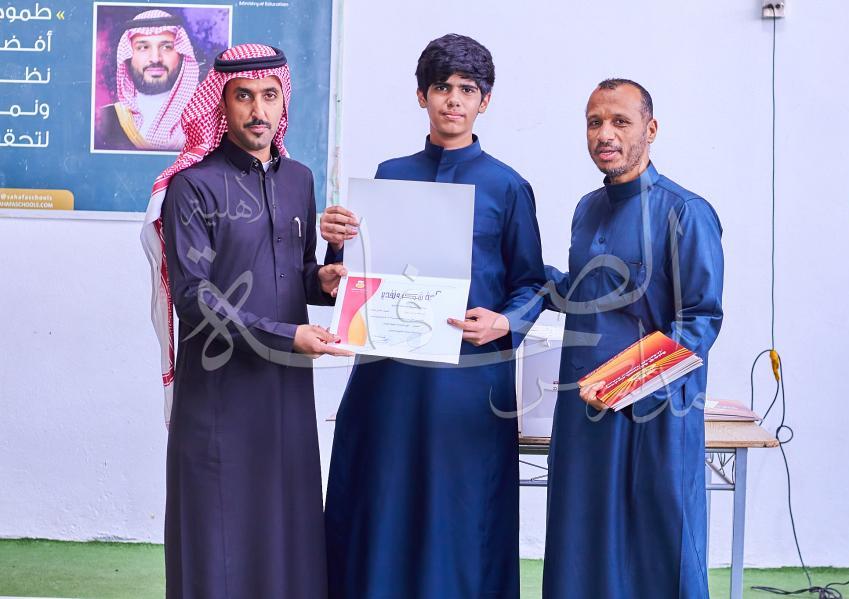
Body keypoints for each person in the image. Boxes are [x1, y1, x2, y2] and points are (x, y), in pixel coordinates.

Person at [321, 34, 545, 598]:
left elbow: (532, 282)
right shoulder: (388, 174)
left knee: (462, 506)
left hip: (468, 379)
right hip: (388, 375)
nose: (453, 100)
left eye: (467, 89)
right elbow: (356, 274)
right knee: (382, 497)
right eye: (442, 87)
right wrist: (337, 244)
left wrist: (505, 322)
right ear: (421, 95)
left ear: (485, 101)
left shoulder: (508, 186)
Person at [139, 43, 351, 598]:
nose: (258, 110)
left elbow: (295, 274)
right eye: (243, 96)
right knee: (218, 533)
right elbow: (195, 297)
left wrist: (327, 276)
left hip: (286, 389)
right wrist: (288, 336)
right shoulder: (193, 185)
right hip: (220, 391)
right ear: (222, 104)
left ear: (284, 102)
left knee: (285, 526)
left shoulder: (299, 179)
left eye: (269, 96)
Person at [541, 78, 724, 598]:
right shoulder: (586, 209)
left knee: (657, 555)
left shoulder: (685, 212)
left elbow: (699, 320)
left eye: (620, 121)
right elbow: (582, 292)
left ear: (651, 128)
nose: (606, 134)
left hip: (655, 417)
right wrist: (513, 275)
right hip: (584, 414)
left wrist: (625, 384)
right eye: (594, 122)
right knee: (581, 550)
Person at [96, 9, 198, 151]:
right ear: (128, 56)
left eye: (166, 47)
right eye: (143, 47)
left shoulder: (202, 117)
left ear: (181, 54)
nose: (155, 58)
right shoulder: (105, 119)